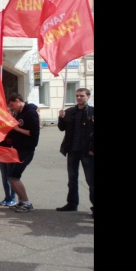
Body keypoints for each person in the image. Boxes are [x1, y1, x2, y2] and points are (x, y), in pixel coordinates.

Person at [56, 87, 94, 216]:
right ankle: (72, 203)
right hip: (72, 150)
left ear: (88, 97)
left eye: (82, 96)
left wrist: (92, 149)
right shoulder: (70, 111)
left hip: (87, 151)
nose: (79, 98)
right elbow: (62, 128)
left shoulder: (92, 112)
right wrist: (61, 118)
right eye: (77, 95)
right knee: (72, 179)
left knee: (91, 180)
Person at [5, 93, 40, 213]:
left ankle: (27, 202)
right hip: (18, 149)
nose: (12, 107)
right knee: (11, 176)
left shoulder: (30, 113)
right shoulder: (20, 112)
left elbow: (33, 133)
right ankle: (21, 201)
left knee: (13, 177)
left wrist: (17, 129)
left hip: (26, 150)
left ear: (17, 100)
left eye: (12, 105)